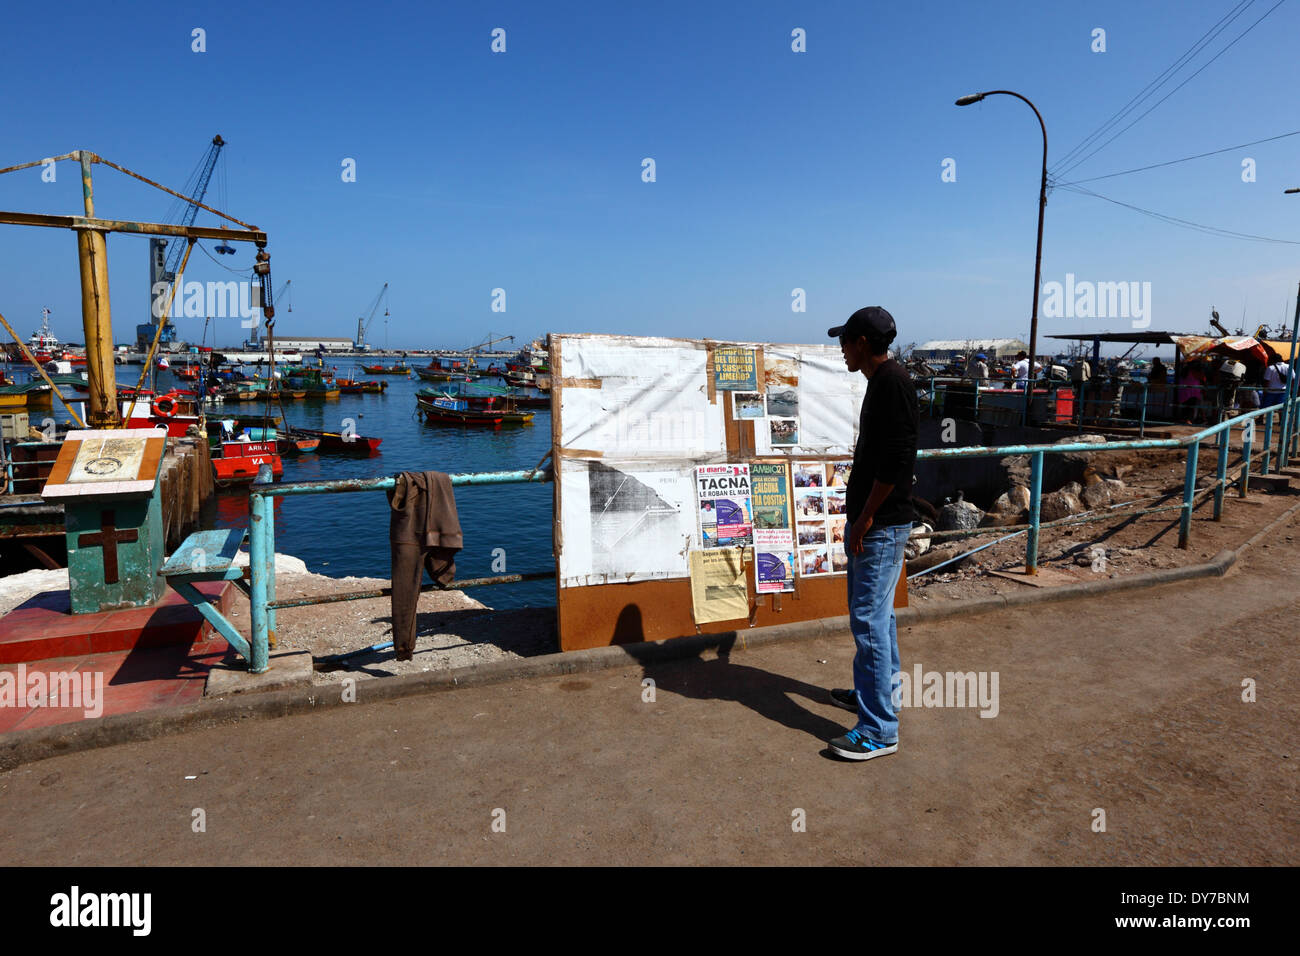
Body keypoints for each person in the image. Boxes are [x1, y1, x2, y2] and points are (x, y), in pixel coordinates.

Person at [824, 306, 918, 762]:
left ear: (863, 343)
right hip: (878, 523)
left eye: (845, 340)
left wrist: (863, 520)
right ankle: (873, 695)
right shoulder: (882, 382)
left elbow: (896, 460)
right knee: (879, 619)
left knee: (868, 621)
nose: (841, 348)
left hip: (880, 526)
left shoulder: (892, 384)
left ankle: (879, 729)